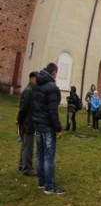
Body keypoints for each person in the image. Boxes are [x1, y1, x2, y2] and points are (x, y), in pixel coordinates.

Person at [31, 63, 65, 195]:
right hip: (47, 124)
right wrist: (58, 128)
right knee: (49, 155)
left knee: (40, 153)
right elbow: (52, 110)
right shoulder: (51, 87)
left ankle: (41, 181)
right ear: (54, 72)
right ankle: (49, 186)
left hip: (37, 123)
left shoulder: (37, 84)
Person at [17, 71, 38, 176]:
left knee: (25, 144)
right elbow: (24, 108)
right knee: (28, 146)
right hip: (27, 121)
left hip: (26, 121)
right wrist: (19, 119)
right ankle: (27, 168)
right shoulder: (29, 91)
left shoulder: (30, 90)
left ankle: (22, 164)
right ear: (32, 79)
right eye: (36, 79)